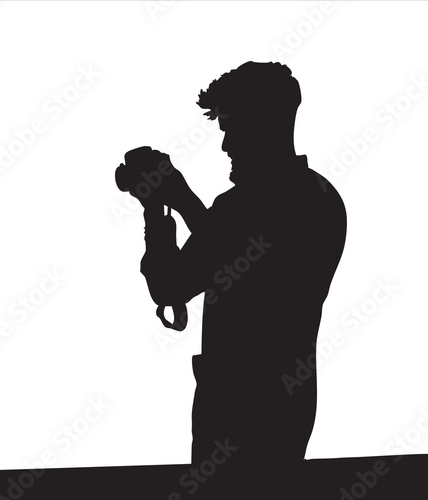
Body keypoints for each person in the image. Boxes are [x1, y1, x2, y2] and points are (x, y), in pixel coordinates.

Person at [135, 61, 347, 492]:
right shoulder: (320, 197)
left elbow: (173, 283)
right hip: (289, 400)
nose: (226, 145)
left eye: (232, 128)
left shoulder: (243, 206)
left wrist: (155, 214)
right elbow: (237, 258)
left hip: (233, 408)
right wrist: (184, 199)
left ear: (264, 123)